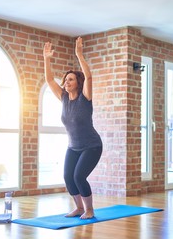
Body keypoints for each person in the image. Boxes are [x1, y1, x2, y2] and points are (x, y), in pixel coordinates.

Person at [43, 37, 103, 219]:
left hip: (92, 146)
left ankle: (89, 210)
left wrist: (79, 54)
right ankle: (78, 208)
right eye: (65, 79)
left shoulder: (85, 98)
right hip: (73, 146)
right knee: (68, 177)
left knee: (79, 177)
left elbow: (89, 76)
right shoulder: (63, 98)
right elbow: (49, 80)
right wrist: (46, 59)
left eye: (70, 79)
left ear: (78, 82)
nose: (66, 82)